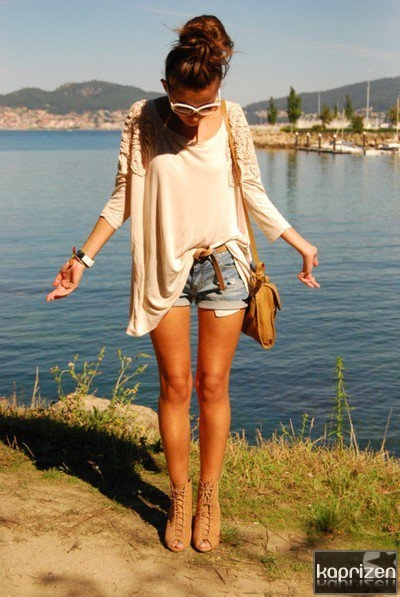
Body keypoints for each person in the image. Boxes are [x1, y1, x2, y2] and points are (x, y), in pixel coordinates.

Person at [46, 15, 319, 553]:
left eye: (204, 107)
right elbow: (123, 197)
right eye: (183, 107)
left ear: (218, 91)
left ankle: (210, 497)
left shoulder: (233, 119)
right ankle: (179, 495)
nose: (193, 119)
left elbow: (253, 191)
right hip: (163, 268)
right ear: (165, 86)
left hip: (224, 266)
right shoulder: (143, 119)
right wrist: (82, 259)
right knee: (175, 386)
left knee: (212, 385)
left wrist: (299, 243)